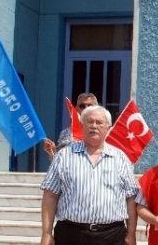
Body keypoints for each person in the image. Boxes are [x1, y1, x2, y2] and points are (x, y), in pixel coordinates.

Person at [40, 105, 139, 245]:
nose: (94, 126)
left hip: (112, 236)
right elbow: (50, 195)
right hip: (71, 234)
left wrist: (131, 234)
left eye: (99, 122)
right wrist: (46, 233)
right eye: (89, 122)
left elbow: (130, 198)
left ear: (108, 128)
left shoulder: (120, 158)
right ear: (81, 126)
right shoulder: (64, 156)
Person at [43, 92, 98, 161]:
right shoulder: (66, 133)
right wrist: (52, 151)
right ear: (77, 109)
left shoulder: (104, 132)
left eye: (89, 106)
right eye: (82, 106)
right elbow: (58, 161)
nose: (86, 108)